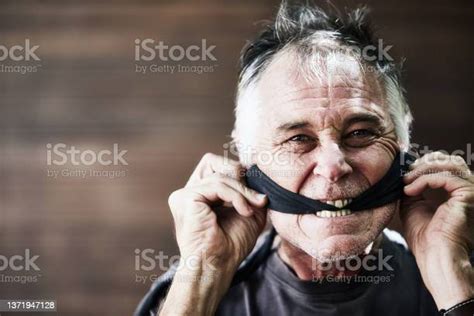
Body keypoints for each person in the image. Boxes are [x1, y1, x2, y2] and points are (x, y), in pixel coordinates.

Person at [135, 2, 474, 315]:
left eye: (360, 133)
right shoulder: (189, 297)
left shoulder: (459, 280)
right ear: (247, 162)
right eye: (298, 139)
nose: (333, 167)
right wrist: (201, 276)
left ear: (404, 144)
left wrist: (454, 283)